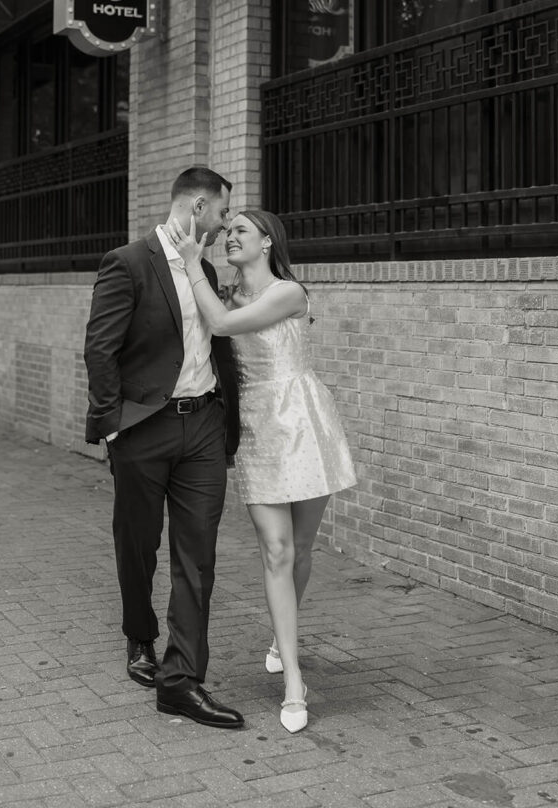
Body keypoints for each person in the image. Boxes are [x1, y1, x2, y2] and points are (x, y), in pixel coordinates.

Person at [167, 208, 356, 734]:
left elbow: (224, 326)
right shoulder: (224, 296)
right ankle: (294, 680)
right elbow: (209, 323)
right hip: (256, 429)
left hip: (304, 422)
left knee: (301, 547)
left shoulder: (289, 293)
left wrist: (191, 262)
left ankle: (281, 636)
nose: (230, 237)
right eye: (227, 231)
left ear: (267, 242)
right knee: (277, 550)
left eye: (240, 231)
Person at [83, 166, 243, 729]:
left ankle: (181, 682)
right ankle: (139, 635)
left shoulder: (207, 269)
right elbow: (100, 349)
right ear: (198, 207)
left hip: (203, 427)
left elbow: (215, 345)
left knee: (197, 556)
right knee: (138, 544)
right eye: (222, 212)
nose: (225, 224)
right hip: (143, 429)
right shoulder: (128, 262)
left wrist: (227, 419)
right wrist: (112, 426)